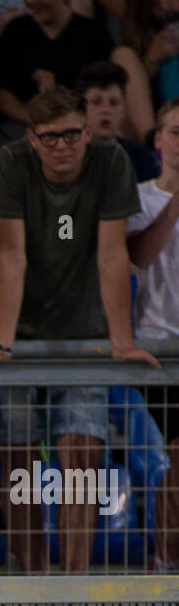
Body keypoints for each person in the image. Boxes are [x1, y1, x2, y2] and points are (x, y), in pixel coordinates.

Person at [0, 87, 159, 574]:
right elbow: (10, 254)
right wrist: (1, 344)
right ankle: (34, 579)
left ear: (86, 131)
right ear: (32, 139)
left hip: (86, 333)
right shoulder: (10, 164)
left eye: (71, 134)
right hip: (22, 329)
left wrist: (121, 342)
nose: (62, 146)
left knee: (81, 454)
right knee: (19, 459)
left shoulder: (111, 161)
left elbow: (113, 254)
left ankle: (74, 581)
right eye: (49, 137)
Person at [128, 96, 179, 567]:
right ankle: (162, 565)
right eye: (177, 133)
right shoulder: (139, 198)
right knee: (173, 465)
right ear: (159, 140)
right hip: (157, 351)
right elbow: (137, 258)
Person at [0, 0, 113, 138]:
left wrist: (56, 95)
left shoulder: (94, 35)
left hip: (80, 128)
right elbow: (1, 97)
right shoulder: (16, 32)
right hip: (23, 127)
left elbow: (102, 95)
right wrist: (43, 121)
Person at [112, 0, 179, 143]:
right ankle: (154, 143)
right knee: (122, 56)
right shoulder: (134, 50)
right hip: (159, 126)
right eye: (153, 2)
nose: (164, 6)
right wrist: (152, 60)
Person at [76, 60, 161, 179]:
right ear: (81, 108)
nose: (106, 110)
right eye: (96, 102)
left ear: (125, 110)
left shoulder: (141, 158)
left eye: (114, 103)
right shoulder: (69, 155)